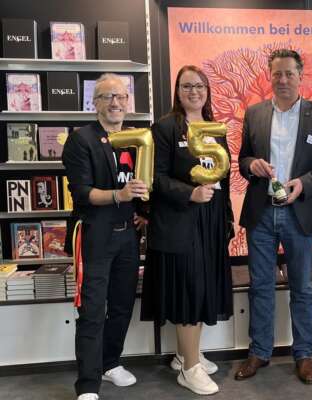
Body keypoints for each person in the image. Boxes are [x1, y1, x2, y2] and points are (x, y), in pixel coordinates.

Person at [235, 49, 312, 384]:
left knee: (302, 287)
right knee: (261, 286)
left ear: (301, 76)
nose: (283, 80)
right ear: (270, 76)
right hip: (262, 214)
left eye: (289, 74)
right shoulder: (253, 114)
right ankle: (259, 352)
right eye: (277, 74)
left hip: (300, 213)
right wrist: (251, 165)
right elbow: (242, 160)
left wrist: (304, 183)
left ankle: (304, 354)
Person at [140, 65, 234, 395]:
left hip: (209, 222)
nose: (193, 91)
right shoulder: (165, 128)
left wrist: (227, 220)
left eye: (199, 85)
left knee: (202, 287)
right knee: (189, 290)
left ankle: (186, 356)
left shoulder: (215, 129)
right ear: (177, 92)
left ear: (207, 90)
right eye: (186, 86)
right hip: (180, 221)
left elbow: (223, 179)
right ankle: (189, 369)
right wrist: (189, 194)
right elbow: (156, 178)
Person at [62, 73, 149, 400]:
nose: (115, 103)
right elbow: (82, 193)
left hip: (128, 236)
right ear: (95, 103)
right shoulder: (80, 140)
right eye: (107, 97)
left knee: (123, 305)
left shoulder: (135, 138)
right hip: (94, 236)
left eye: (121, 97)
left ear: (128, 102)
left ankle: (111, 363)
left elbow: (140, 184)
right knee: (93, 309)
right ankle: (87, 383)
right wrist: (120, 195)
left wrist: (141, 209)